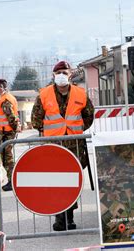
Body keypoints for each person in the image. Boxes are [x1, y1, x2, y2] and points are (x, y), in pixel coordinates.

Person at [31, 60, 94, 231]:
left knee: (71, 182)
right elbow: (36, 120)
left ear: (70, 74)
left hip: (74, 146)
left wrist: (76, 130)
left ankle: (69, 218)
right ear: (53, 75)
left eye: (64, 73)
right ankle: (61, 218)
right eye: (58, 73)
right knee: (57, 182)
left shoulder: (81, 94)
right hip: (54, 147)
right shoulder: (43, 95)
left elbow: (89, 117)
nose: (61, 76)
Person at [0, 79, 20, 192]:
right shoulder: (7, 98)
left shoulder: (5, 100)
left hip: (7, 133)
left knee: (7, 158)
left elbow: (11, 117)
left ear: (2, 87)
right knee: (7, 157)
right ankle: (11, 181)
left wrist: (13, 129)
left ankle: (12, 181)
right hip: (6, 132)